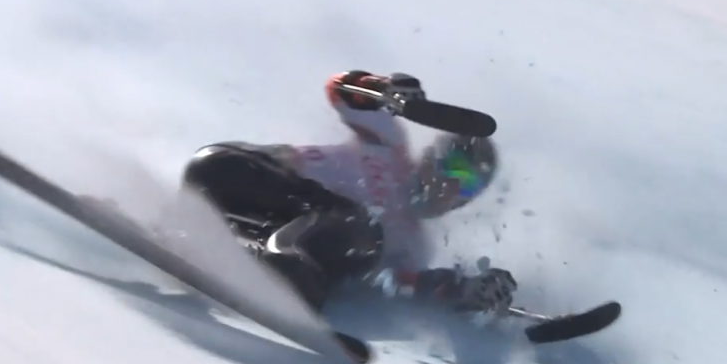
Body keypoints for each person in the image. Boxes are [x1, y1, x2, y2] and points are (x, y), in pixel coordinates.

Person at [180, 70, 518, 315]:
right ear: (433, 156)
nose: (453, 187)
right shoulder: (390, 145)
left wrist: (463, 289)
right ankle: (271, 265)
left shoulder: (413, 244)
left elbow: (400, 284)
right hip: (249, 177)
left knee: (365, 232)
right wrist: (383, 90)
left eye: (469, 185)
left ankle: (272, 265)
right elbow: (340, 90)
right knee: (212, 165)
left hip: (294, 244)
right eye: (453, 168)